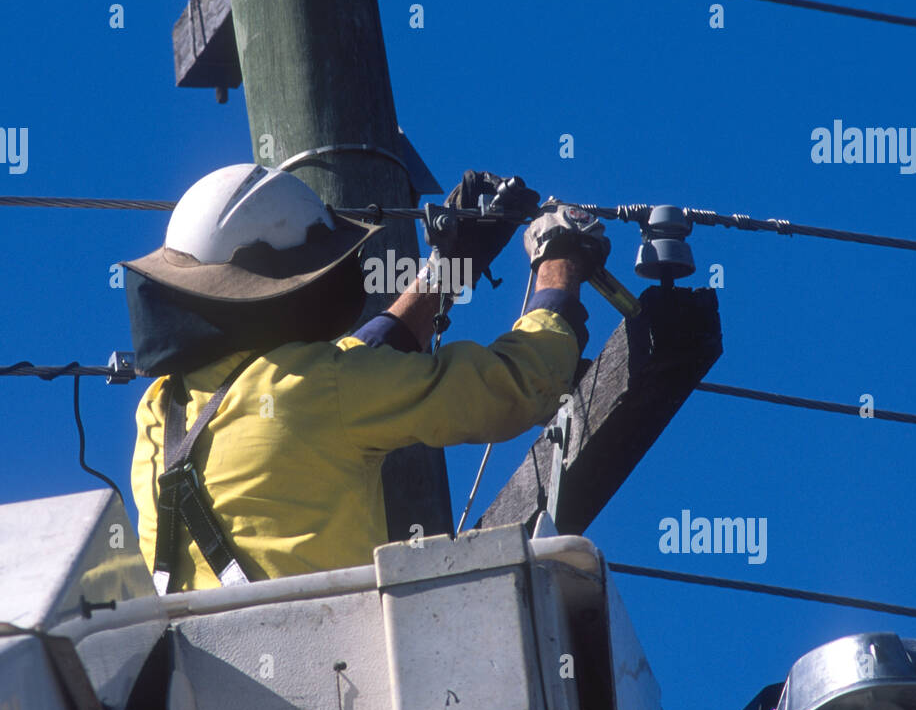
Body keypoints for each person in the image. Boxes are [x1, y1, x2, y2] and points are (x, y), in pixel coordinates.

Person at [120, 164, 609, 592]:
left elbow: (352, 367)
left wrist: (446, 274)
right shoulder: (325, 386)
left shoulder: (160, 408)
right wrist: (557, 267)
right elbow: (518, 386)